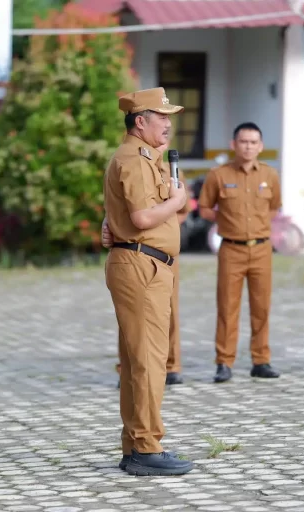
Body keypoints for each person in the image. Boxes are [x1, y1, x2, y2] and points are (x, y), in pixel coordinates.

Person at [103, 87, 193, 476]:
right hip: (142, 266)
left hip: (149, 265)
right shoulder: (135, 160)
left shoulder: (149, 159)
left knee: (140, 359)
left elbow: (124, 214)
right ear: (140, 121)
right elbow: (141, 218)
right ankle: (145, 447)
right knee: (148, 361)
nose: (169, 124)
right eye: (162, 116)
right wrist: (177, 202)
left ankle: (136, 444)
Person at [198, 122, 282, 383]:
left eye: (253, 142)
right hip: (231, 249)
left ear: (261, 146)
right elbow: (204, 208)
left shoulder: (270, 175)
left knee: (261, 307)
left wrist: (256, 225)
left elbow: (274, 207)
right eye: (243, 142)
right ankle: (224, 362)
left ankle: (261, 360)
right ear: (234, 145)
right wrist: (226, 222)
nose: (248, 146)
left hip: (261, 249)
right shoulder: (219, 175)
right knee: (227, 307)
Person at [104, 156, 191, 387]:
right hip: (136, 250)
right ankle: (127, 367)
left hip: (164, 252)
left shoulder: (173, 172)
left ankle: (171, 365)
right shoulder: (130, 165)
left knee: (168, 310)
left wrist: (164, 221)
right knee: (130, 315)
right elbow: (118, 207)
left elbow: (183, 208)